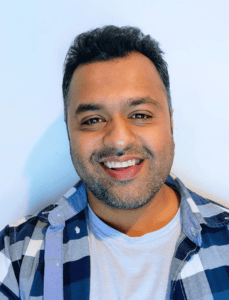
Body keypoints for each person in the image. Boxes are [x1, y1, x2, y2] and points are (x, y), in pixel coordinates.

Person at [1, 25, 229, 300]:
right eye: (93, 120)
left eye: (141, 115)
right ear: (69, 132)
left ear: (170, 121)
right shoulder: (15, 257)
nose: (119, 141)